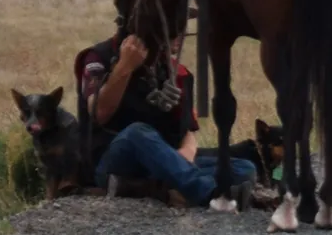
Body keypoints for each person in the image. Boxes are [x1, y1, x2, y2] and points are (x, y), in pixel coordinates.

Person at [74, 32, 255, 208]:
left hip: (163, 162)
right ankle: (209, 194)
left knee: (243, 168)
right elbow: (99, 112)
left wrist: (186, 152)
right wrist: (125, 66)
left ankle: (153, 188)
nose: (180, 35)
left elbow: (187, 130)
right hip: (112, 162)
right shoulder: (97, 58)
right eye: (173, 30)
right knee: (137, 133)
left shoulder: (178, 73)